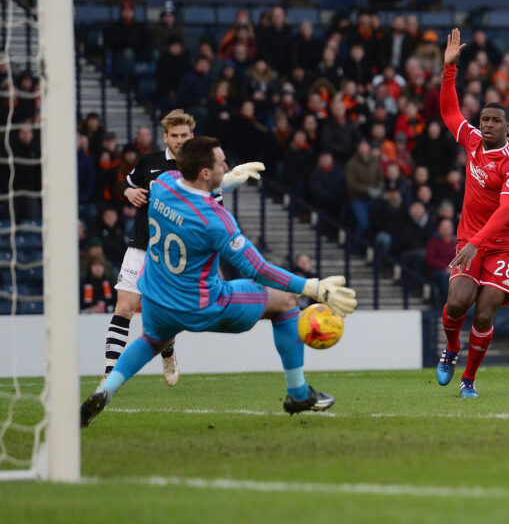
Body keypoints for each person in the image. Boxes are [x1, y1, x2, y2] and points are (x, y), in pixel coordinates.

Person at [80, 137, 357, 427]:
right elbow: (258, 269)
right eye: (221, 164)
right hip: (200, 304)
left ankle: (105, 390)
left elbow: (182, 183)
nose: (226, 166)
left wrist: (224, 182)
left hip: (157, 299)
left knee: (151, 339)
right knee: (286, 300)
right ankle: (298, 393)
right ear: (204, 173)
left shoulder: (161, 186)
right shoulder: (215, 220)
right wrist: (312, 287)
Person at [435, 28, 509, 398]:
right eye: (484, 119)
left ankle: (469, 380)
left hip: (504, 246)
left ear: (508, 128)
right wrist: (449, 70)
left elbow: (507, 210)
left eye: (495, 121)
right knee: (457, 301)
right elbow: (448, 112)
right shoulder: (472, 141)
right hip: (470, 241)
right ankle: (452, 350)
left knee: (485, 313)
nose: (487, 125)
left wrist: (477, 243)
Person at [104, 110, 194, 387]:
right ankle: (108, 377)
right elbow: (125, 185)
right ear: (165, 137)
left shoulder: (202, 166)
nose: (179, 140)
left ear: (192, 136)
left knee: (163, 315)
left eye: (184, 135)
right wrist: (128, 191)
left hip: (175, 253)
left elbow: (215, 207)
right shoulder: (150, 163)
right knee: (124, 307)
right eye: (174, 136)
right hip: (142, 243)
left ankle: (167, 352)